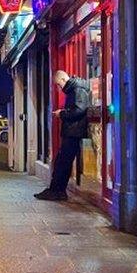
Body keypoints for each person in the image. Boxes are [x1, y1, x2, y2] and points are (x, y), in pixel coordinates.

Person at [35, 70, 91, 201]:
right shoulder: (74, 89)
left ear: (63, 80)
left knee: (63, 162)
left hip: (74, 132)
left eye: (59, 85)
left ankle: (57, 191)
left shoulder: (78, 89)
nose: (60, 88)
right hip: (71, 131)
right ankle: (56, 190)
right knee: (61, 161)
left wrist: (62, 113)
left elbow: (79, 110)